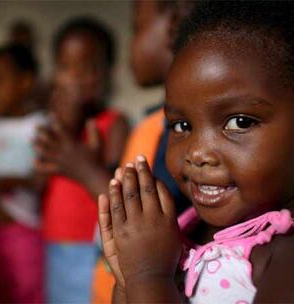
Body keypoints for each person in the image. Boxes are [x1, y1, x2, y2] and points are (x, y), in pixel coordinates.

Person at [99, 1, 294, 302]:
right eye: (181, 125)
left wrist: (148, 276)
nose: (197, 152)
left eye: (240, 122)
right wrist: (128, 280)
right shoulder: (184, 230)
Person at [92, 1, 195, 302]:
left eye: (137, 28)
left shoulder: (175, 133)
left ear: (173, 24)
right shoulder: (152, 123)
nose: (130, 45)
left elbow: (146, 225)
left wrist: (83, 171)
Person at [35, 17, 129, 303]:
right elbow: (38, 183)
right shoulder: (53, 126)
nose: (76, 77)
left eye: (88, 67)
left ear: (108, 72)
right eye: (66, 67)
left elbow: (114, 187)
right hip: (54, 237)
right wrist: (66, 125)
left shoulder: (113, 123)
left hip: (92, 244)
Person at [0, 44, 46, 303]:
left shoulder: (38, 126)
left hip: (24, 231)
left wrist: (2, 183)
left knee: (26, 291)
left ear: (25, 82)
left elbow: (43, 180)